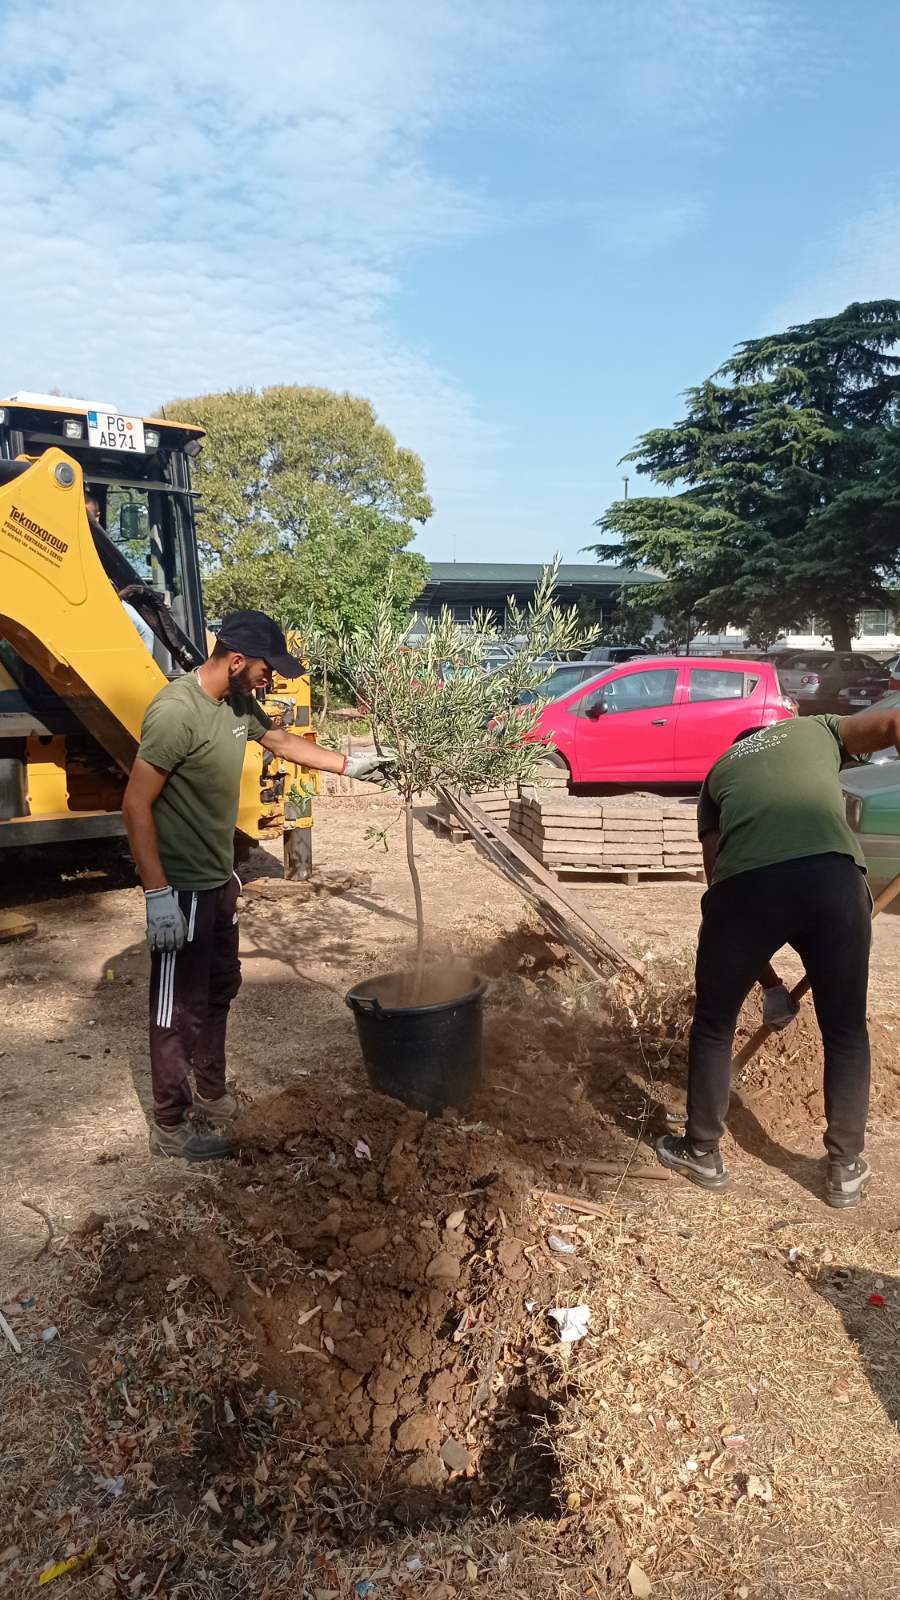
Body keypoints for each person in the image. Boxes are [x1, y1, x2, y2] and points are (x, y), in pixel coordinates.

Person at [122, 610, 390, 1160]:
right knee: (177, 1007)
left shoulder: (237, 701)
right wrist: (157, 895)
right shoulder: (176, 712)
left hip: (220, 879)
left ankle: (212, 1092)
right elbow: (135, 804)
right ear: (237, 660)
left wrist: (350, 764)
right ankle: (170, 1124)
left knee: (220, 987)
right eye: (268, 668)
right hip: (182, 887)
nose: (272, 678)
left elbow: (283, 743)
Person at [655, 704, 900, 1208]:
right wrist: (772, 984)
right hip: (834, 884)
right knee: (845, 1030)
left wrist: (768, 984)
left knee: (714, 1025)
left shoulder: (717, 775)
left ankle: (701, 1152)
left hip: (745, 890)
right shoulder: (814, 730)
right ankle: (845, 1168)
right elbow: (894, 722)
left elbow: (718, 880)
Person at [85, 490, 155, 653]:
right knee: (145, 632)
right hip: (98, 602)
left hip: (99, 599)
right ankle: (143, 670)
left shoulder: (92, 541)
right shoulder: (91, 541)